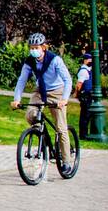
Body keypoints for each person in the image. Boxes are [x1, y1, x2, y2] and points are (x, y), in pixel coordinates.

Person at [11, 33, 74, 167]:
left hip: (57, 91)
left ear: (43, 47)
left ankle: (67, 160)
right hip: (40, 90)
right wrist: (17, 99)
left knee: (61, 128)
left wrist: (64, 99)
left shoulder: (55, 60)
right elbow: (22, 80)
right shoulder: (29, 61)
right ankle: (41, 134)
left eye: (36, 47)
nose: (33, 50)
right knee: (30, 115)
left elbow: (68, 80)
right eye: (31, 47)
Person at [75, 51, 95, 138]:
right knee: (85, 115)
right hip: (85, 96)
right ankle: (83, 134)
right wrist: (76, 93)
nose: (91, 62)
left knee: (88, 115)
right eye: (89, 60)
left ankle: (85, 133)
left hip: (89, 95)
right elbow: (79, 84)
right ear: (85, 60)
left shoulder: (88, 70)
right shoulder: (83, 71)